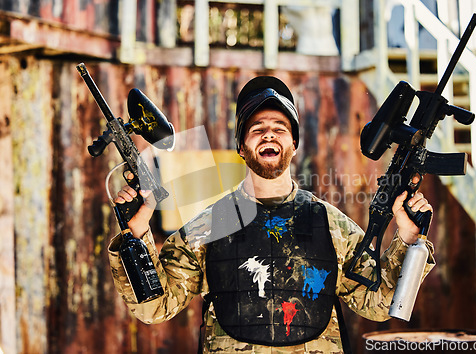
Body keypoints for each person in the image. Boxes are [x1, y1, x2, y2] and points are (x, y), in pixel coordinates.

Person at [108, 76, 435, 353]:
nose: (268, 134)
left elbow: (376, 305)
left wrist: (406, 238)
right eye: (256, 128)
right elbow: (156, 307)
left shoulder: (330, 224)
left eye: (280, 127)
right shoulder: (210, 225)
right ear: (241, 147)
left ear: (293, 143)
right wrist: (137, 234)